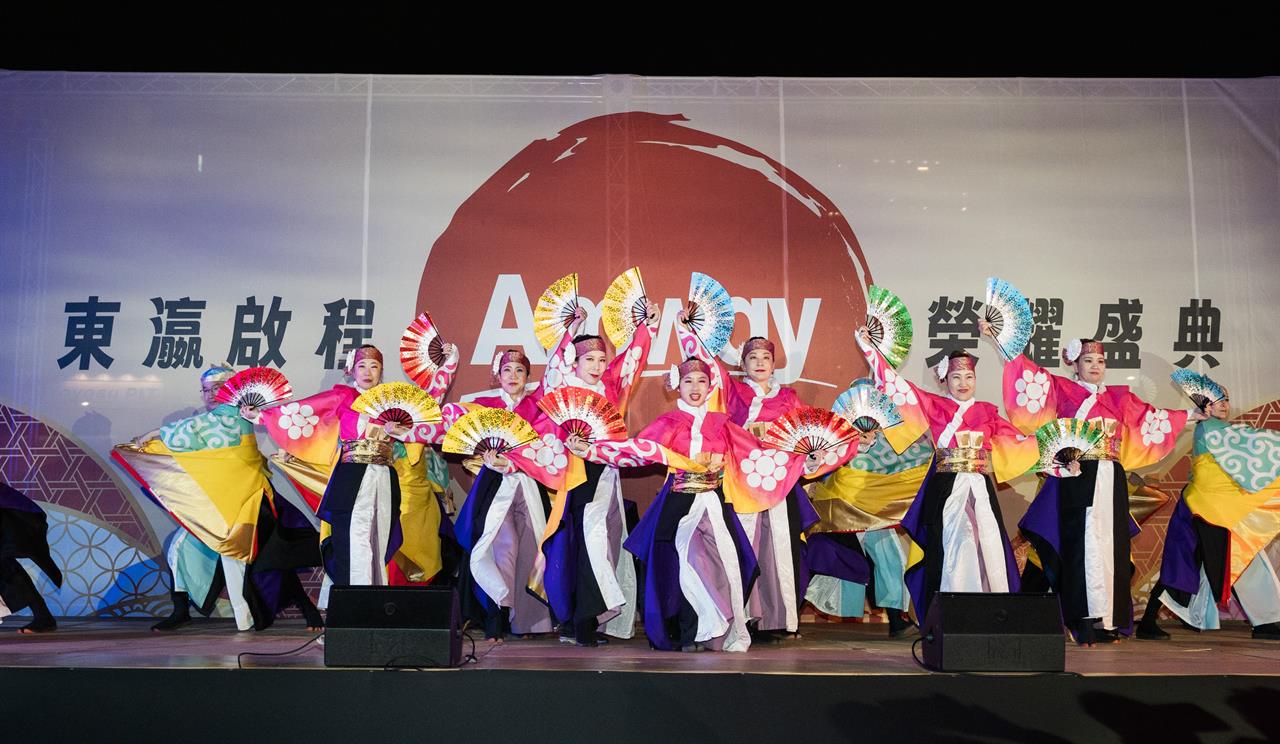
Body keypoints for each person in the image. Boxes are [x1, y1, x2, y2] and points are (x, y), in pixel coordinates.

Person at [990, 329, 1199, 645]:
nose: (1095, 366)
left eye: (1100, 361)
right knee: (1080, 546)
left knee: (1111, 546)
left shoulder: (1120, 397)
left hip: (1111, 475)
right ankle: (1081, 619)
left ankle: (1108, 619)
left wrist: (1192, 414)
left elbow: (1154, 418)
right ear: (1074, 364)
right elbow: (1029, 378)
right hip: (1078, 475)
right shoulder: (1062, 389)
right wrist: (1003, 344)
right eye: (1088, 361)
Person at [116, 363, 323, 632]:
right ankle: (181, 611)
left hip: (250, 502)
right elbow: (190, 447)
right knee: (181, 548)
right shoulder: (208, 424)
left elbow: (196, 428)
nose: (211, 394)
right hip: (218, 505)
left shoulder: (235, 414)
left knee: (270, 558)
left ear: (232, 390)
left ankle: (305, 609)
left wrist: (152, 434)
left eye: (218, 388)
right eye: (206, 390)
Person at [856, 327, 1038, 624]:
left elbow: (1020, 442)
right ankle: (951, 615)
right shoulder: (935, 405)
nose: (963, 383)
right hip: (946, 488)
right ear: (945, 380)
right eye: (956, 377)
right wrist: (869, 349)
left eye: (968, 377)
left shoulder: (987, 412)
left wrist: (1058, 456)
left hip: (979, 488)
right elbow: (897, 385)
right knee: (955, 544)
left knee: (989, 543)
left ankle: (990, 614)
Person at [675, 320, 820, 639]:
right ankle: (746, 618)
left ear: (773, 364)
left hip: (780, 480)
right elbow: (707, 364)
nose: (759, 363)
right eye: (752, 358)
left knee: (779, 547)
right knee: (746, 545)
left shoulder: (789, 397)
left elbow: (806, 432)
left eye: (765, 358)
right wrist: (689, 330)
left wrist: (811, 455)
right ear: (742, 364)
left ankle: (777, 619)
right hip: (742, 478)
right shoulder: (734, 391)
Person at [543, 301, 658, 646]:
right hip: (576, 475)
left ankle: (586, 620)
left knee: (603, 540)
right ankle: (580, 623)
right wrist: (572, 329)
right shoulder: (563, 385)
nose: (596, 366)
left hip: (605, 470)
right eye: (588, 360)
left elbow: (633, 358)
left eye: (600, 360)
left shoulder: (610, 388)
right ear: (574, 363)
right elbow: (554, 367)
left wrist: (647, 326)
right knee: (584, 542)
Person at [1138, 386, 1280, 641]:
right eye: (1217, 400)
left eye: (1226, 399)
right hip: (1206, 511)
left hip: (1212, 509)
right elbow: (1252, 440)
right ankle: (1265, 622)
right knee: (1217, 561)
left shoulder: (1216, 430)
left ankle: (1265, 621)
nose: (1224, 404)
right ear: (1204, 405)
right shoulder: (1211, 429)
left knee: (1196, 564)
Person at [0, 483, 61, 634]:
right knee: (5, 566)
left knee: (6, 565)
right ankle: (43, 616)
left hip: (10, 513)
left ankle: (43, 616)